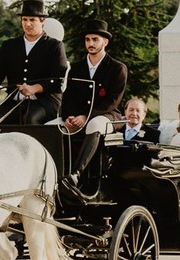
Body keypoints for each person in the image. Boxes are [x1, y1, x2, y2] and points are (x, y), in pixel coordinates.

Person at [55, 19, 128, 197]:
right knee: (52, 126)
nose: (91, 43)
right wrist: (69, 117)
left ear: (105, 42)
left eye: (95, 39)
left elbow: (112, 102)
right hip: (78, 116)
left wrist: (85, 117)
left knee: (94, 124)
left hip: (108, 116)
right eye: (88, 40)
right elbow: (69, 97)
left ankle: (75, 173)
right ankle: (52, 173)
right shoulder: (77, 68)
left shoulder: (117, 68)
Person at [0, 0, 68, 126]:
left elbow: (59, 80)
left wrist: (34, 88)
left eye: (32, 20)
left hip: (45, 103)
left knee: (30, 120)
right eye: (24, 20)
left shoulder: (54, 46)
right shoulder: (9, 46)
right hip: (14, 101)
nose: (27, 24)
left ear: (42, 21)